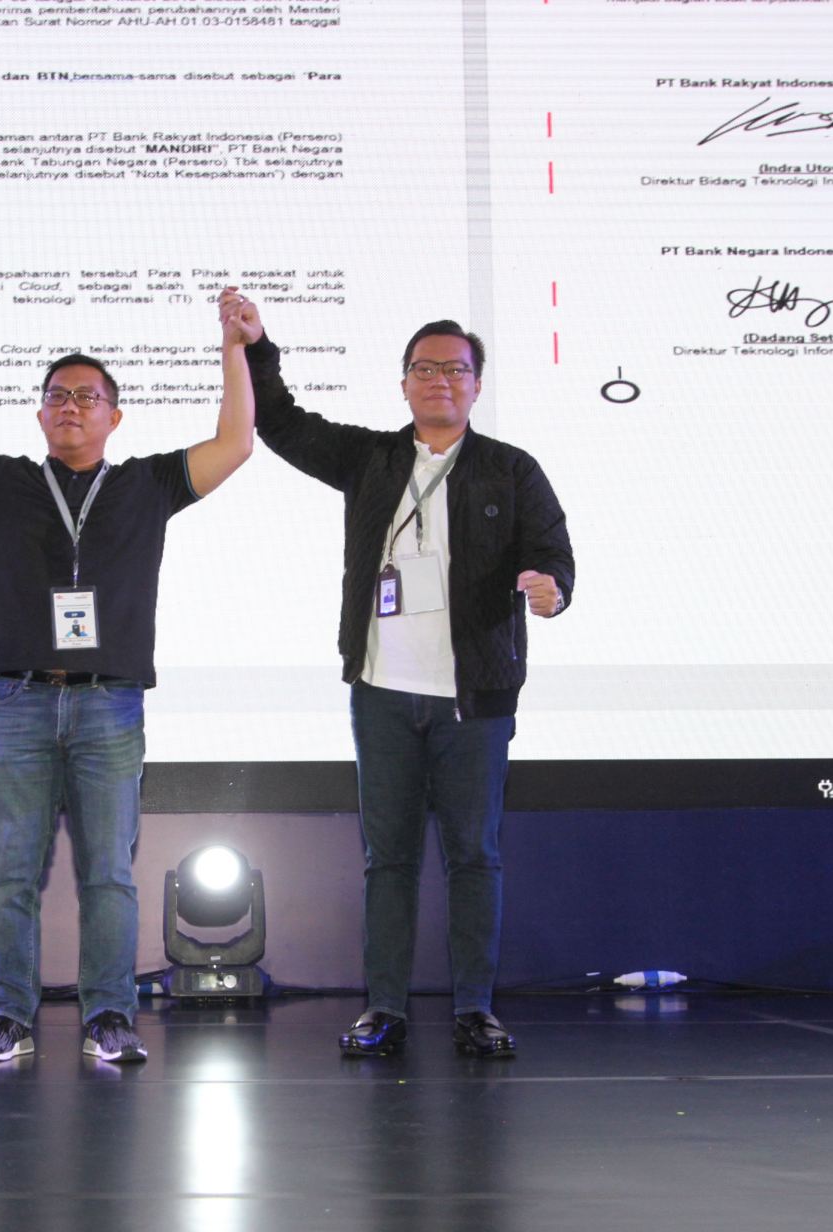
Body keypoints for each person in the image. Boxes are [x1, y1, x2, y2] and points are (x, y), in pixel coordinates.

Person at [0, 298, 254, 1063]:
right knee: (10, 876)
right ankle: (8, 1018)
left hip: (108, 703)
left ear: (113, 418)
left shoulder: (148, 483)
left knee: (108, 877)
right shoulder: (1, 481)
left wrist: (232, 348)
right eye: (57, 395)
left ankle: (109, 1018)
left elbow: (234, 443)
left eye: (87, 397)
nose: (70, 407)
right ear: (39, 414)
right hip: (16, 700)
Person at [223, 290, 574, 1058]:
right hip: (381, 693)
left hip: (473, 699)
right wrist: (256, 345)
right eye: (424, 368)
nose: (439, 379)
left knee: (473, 857)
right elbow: (280, 422)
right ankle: (383, 1008)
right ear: (404, 382)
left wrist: (549, 587)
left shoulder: (510, 470)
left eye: (454, 369)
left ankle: (475, 1010)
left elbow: (552, 552)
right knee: (387, 860)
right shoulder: (372, 460)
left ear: (476, 385)